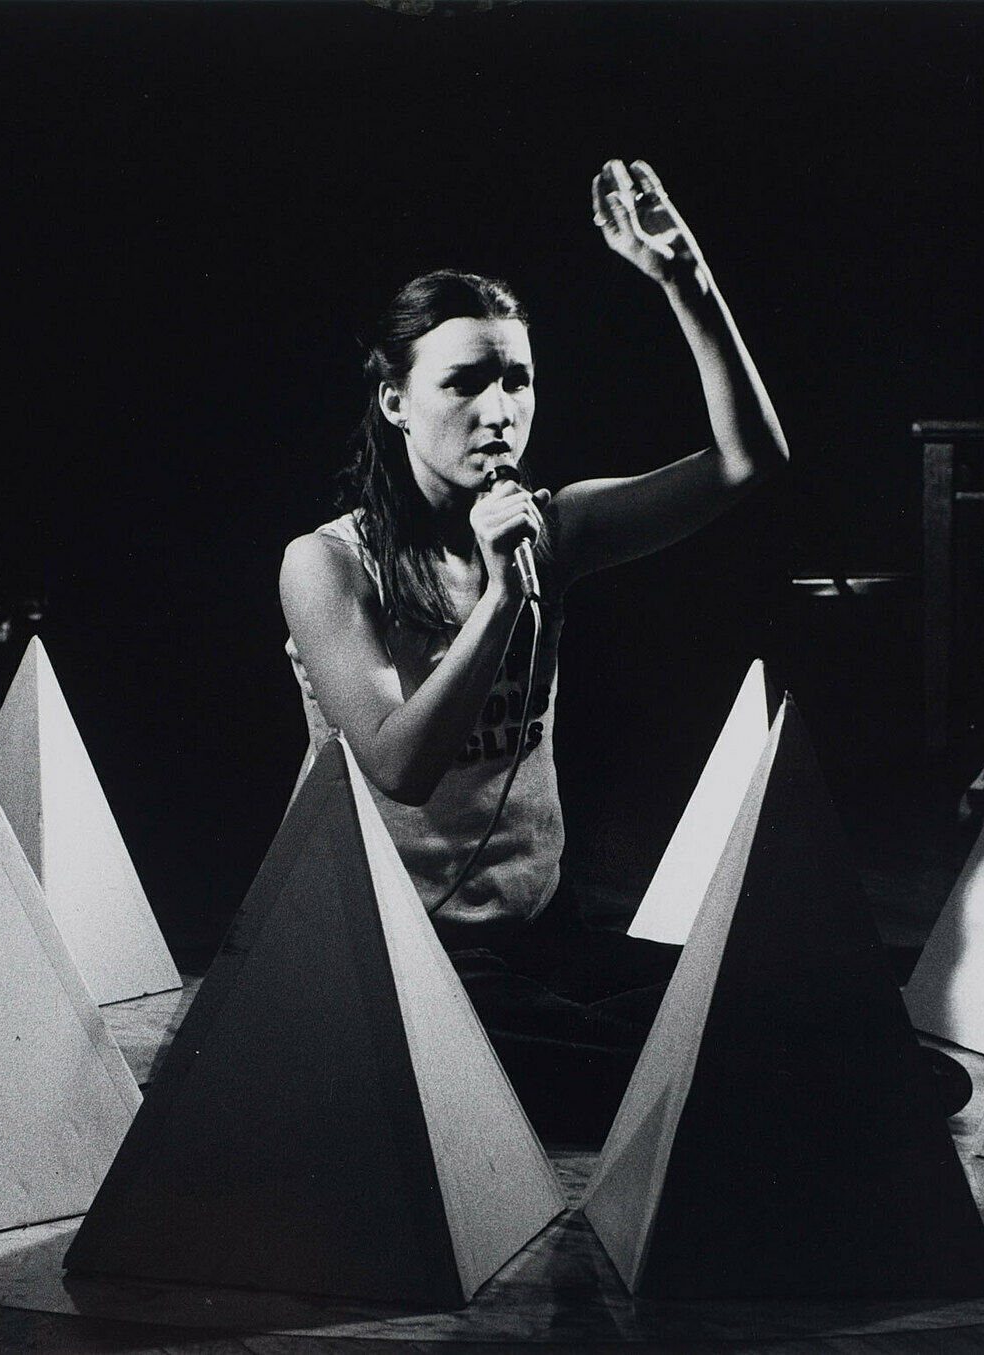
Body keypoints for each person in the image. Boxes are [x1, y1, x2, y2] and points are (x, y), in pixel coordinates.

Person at [281, 159, 788, 1142]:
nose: (499, 407)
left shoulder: (556, 526)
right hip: (406, 957)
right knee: (728, 1085)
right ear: (393, 399)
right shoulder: (326, 565)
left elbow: (745, 461)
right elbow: (398, 762)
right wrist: (505, 594)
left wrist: (684, 279)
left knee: (782, 1010)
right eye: (463, 381)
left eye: (516, 378)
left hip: (546, 937)